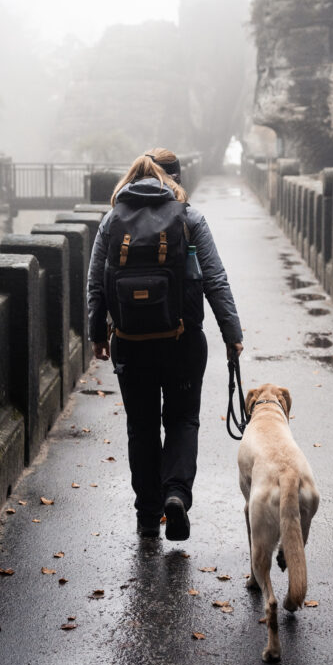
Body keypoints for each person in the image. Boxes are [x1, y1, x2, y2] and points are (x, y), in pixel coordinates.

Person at [87, 148, 243, 541]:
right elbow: (214, 279)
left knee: (141, 427)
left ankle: (146, 516)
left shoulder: (111, 219)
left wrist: (96, 335)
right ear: (175, 179)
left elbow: (95, 282)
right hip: (183, 339)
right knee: (182, 419)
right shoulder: (189, 217)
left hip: (129, 341)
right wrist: (232, 333)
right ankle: (175, 494)